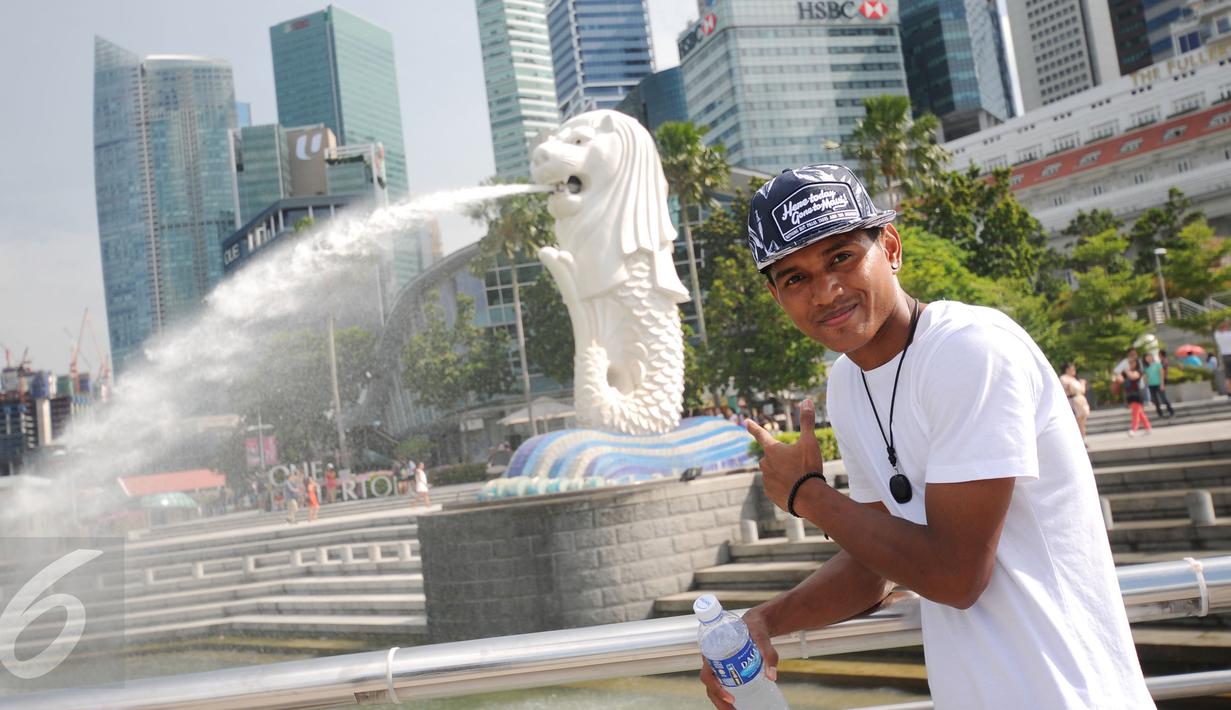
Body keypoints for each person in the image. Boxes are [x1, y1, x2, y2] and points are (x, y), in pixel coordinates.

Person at [699, 164, 1151, 710]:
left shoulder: (969, 351)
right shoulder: (847, 382)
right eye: (795, 278)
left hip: (1070, 693)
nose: (825, 292)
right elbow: (878, 563)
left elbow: (958, 576)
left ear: (889, 247)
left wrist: (809, 497)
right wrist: (765, 621)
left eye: (841, 257)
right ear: (777, 297)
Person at [1059, 362, 1091, 445]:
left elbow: (1082, 391)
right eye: (1072, 369)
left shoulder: (1074, 379)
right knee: (1077, 421)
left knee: (1082, 421)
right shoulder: (1063, 378)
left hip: (1080, 400)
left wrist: (1082, 384)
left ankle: (1083, 438)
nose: (1074, 370)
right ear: (1067, 370)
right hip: (1073, 400)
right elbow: (1068, 389)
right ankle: (1080, 440)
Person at [1120, 358, 1152, 436]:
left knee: (1135, 413)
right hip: (1130, 395)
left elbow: (1133, 377)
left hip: (1138, 395)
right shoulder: (1126, 373)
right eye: (1129, 363)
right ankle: (1148, 428)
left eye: (1132, 363)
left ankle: (1134, 429)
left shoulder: (1139, 371)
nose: (1130, 364)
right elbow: (1120, 380)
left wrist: (1126, 371)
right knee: (1140, 413)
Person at [1144, 353, 1174, 419]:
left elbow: (1162, 374)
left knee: (1163, 399)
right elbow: (1146, 377)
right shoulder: (1146, 367)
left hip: (1158, 384)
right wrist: (1146, 384)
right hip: (1151, 385)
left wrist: (1162, 384)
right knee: (1155, 400)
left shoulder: (1158, 365)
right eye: (1146, 357)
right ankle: (1160, 413)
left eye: (1149, 357)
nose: (1148, 359)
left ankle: (1171, 411)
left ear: (1152, 357)